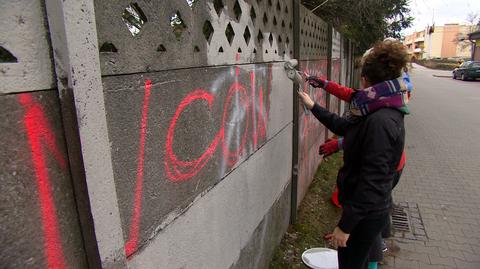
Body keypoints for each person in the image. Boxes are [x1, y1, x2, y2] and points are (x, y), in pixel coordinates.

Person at [298, 39, 409, 269]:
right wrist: (313, 106)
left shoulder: (380, 120)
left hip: (368, 211)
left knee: (350, 263)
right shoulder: (376, 105)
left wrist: (345, 227)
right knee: (359, 258)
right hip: (367, 208)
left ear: (366, 80)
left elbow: (373, 183)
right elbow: (344, 126)